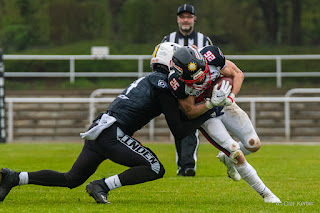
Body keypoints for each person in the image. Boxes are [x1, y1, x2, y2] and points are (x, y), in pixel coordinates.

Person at [0, 42, 223, 204]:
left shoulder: (150, 80)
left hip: (101, 127)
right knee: (154, 167)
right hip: (112, 132)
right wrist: (210, 109)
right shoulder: (162, 84)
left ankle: (15, 177)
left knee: (72, 178)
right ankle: (102, 185)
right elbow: (179, 130)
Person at [168, 46, 281, 203]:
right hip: (206, 116)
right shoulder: (177, 81)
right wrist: (210, 104)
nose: (200, 80)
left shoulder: (212, 56)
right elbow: (190, 111)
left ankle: (226, 158)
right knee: (235, 151)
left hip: (225, 105)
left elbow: (238, 74)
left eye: (202, 74)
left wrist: (231, 97)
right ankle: (267, 194)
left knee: (253, 144)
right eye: (195, 80)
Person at [161, 4, 213, 177]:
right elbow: (161, 63)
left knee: (191, 127)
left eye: (188, 17)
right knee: (177, 127)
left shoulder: (204, 40)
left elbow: (210, 66)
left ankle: (188, 165)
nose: (185, 20)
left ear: (194, 19)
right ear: (177, 19)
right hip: (175, 90)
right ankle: (184, 164)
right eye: (182, 17)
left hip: (195, 91)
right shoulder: (168, 39)